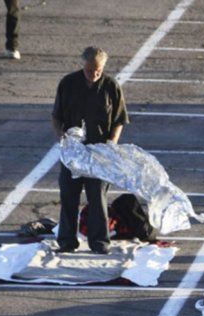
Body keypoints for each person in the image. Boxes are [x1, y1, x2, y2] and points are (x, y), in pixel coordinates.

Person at [52, 47, 129, 254]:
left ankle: (99, 243)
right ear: (83, 64)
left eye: (98, 70)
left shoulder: (111, 86)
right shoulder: (68, 84)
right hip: (73, 152)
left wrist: (112, 142)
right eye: (89, 69)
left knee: (98, 198)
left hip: (99, 152)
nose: (94, 73)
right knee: (69, 197)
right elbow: (57, 116)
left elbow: (119, 120)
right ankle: (67, 242)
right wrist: (62, 138)